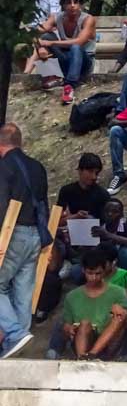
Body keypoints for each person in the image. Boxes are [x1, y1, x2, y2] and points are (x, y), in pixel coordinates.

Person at [0, 124, 50, 359]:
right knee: (23, 292)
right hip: (35, 235)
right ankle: (19, 346)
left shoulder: (4, 166)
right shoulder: (37, 167)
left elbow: (1, 204)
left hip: (13, 233)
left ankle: (14, 334)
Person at [37, 0, 97, 105]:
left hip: (84, 63)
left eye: (76, 2)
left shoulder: (88, 19)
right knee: (46, 37)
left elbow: (79, 42)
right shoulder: (57, 17)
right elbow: (38, 31)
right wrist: (41, 47)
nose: (72, 5)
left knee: (75, 47)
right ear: (63, 5)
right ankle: (50, 76)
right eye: (68, 2)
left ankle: (70, 85)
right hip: (66, 59)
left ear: (81, 5)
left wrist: (51, 43)